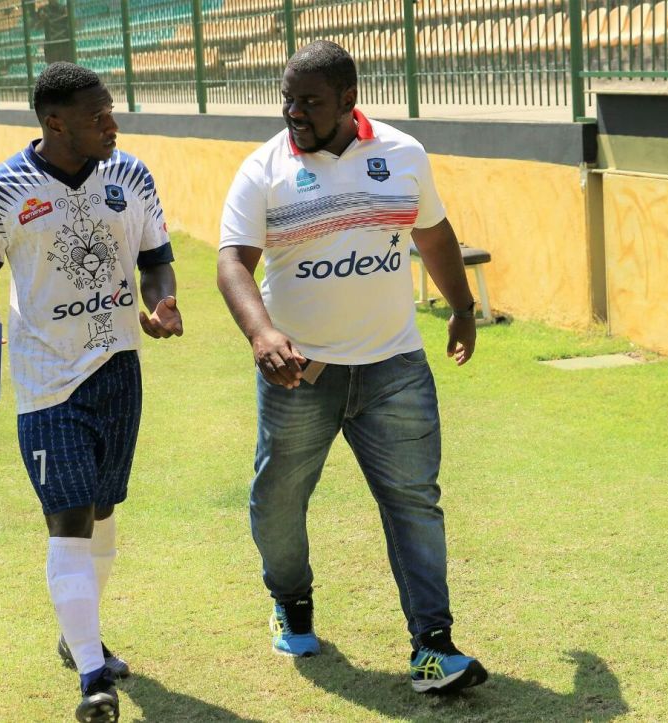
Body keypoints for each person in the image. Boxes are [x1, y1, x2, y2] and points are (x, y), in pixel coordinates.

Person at [217, 40, 487, 695]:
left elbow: (434, 235)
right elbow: (232, 263)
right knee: (278, 501)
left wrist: (461, 307)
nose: (294, 112)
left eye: (309, 102)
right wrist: (262, 333)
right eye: (288, 98)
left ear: (347, 101)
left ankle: (432, 647)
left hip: (395, 365)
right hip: (299, 373)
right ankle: (291, 599)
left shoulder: (402, 155)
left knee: (415, 502)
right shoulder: (264, 169)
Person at [0, 62, 182, 722]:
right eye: (97, 117)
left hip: (119, 366)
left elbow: (155, 259)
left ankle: (77, 632)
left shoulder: (132, 176)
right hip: (46, 378)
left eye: (111, 113)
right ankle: (92, 677)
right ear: (56, 123)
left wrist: (163, 302)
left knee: (104, 512)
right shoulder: (0, 191)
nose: (112, 125)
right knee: (70, 515)